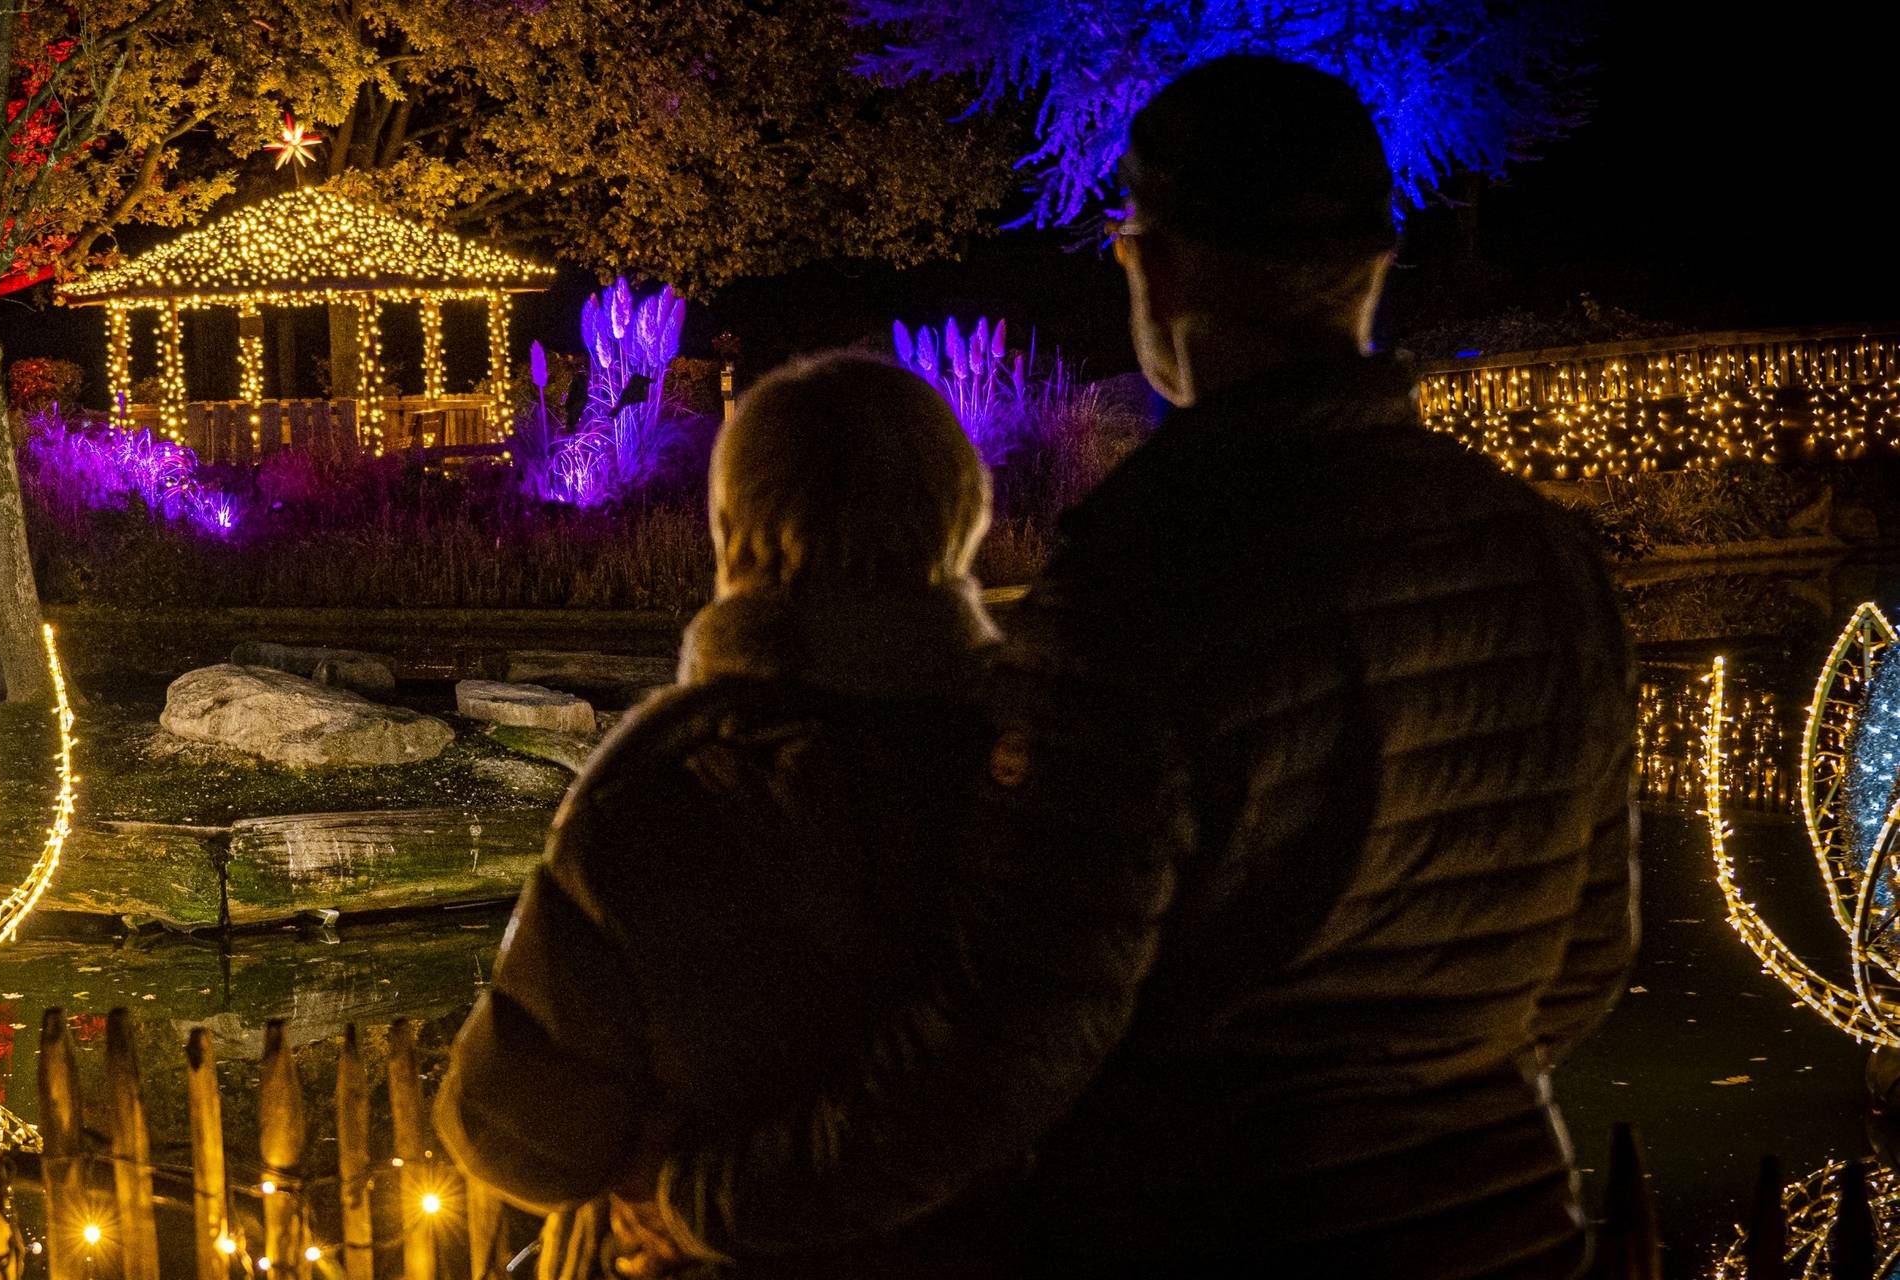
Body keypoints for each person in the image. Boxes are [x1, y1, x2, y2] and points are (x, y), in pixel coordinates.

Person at [623, 56, 1638, 1277]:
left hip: (1231, 1226)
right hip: (1506, 1228)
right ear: (1373, 266)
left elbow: (1013, 1036)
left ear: (1160, 267)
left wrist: (709, 1203)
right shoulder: (1543, 553)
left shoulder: (1147, 577)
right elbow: (1585, 955)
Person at [437, 353, 1012, 1276]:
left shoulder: (668, 782)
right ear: (960, 514)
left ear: (730, 526)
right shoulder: (1042, 752)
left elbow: (518, 1132)